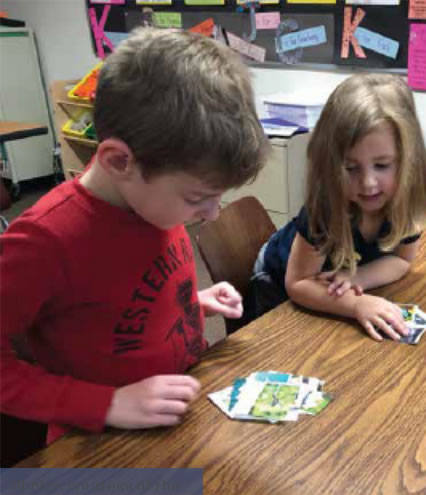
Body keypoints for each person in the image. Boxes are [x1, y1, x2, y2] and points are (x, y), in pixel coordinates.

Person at [0, 28, 270, 443]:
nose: (213, 213)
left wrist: (191, 303)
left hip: (178, 416)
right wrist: (107, 403)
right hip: (99, 444)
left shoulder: (152, 198)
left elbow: (116, 302)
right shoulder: (44, 241)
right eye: (198, 197)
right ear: (119, 161)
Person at [251, 73, 426, 342]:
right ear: (331, 165)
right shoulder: (326, 207)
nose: (368, 184)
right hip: (278, 279)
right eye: (350, 168)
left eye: (382, 165)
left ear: (409, 160)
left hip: (333, 278)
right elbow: (298, 284)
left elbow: (401, 260)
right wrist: (356, 304)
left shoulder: (406, 201)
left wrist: (356, 278)